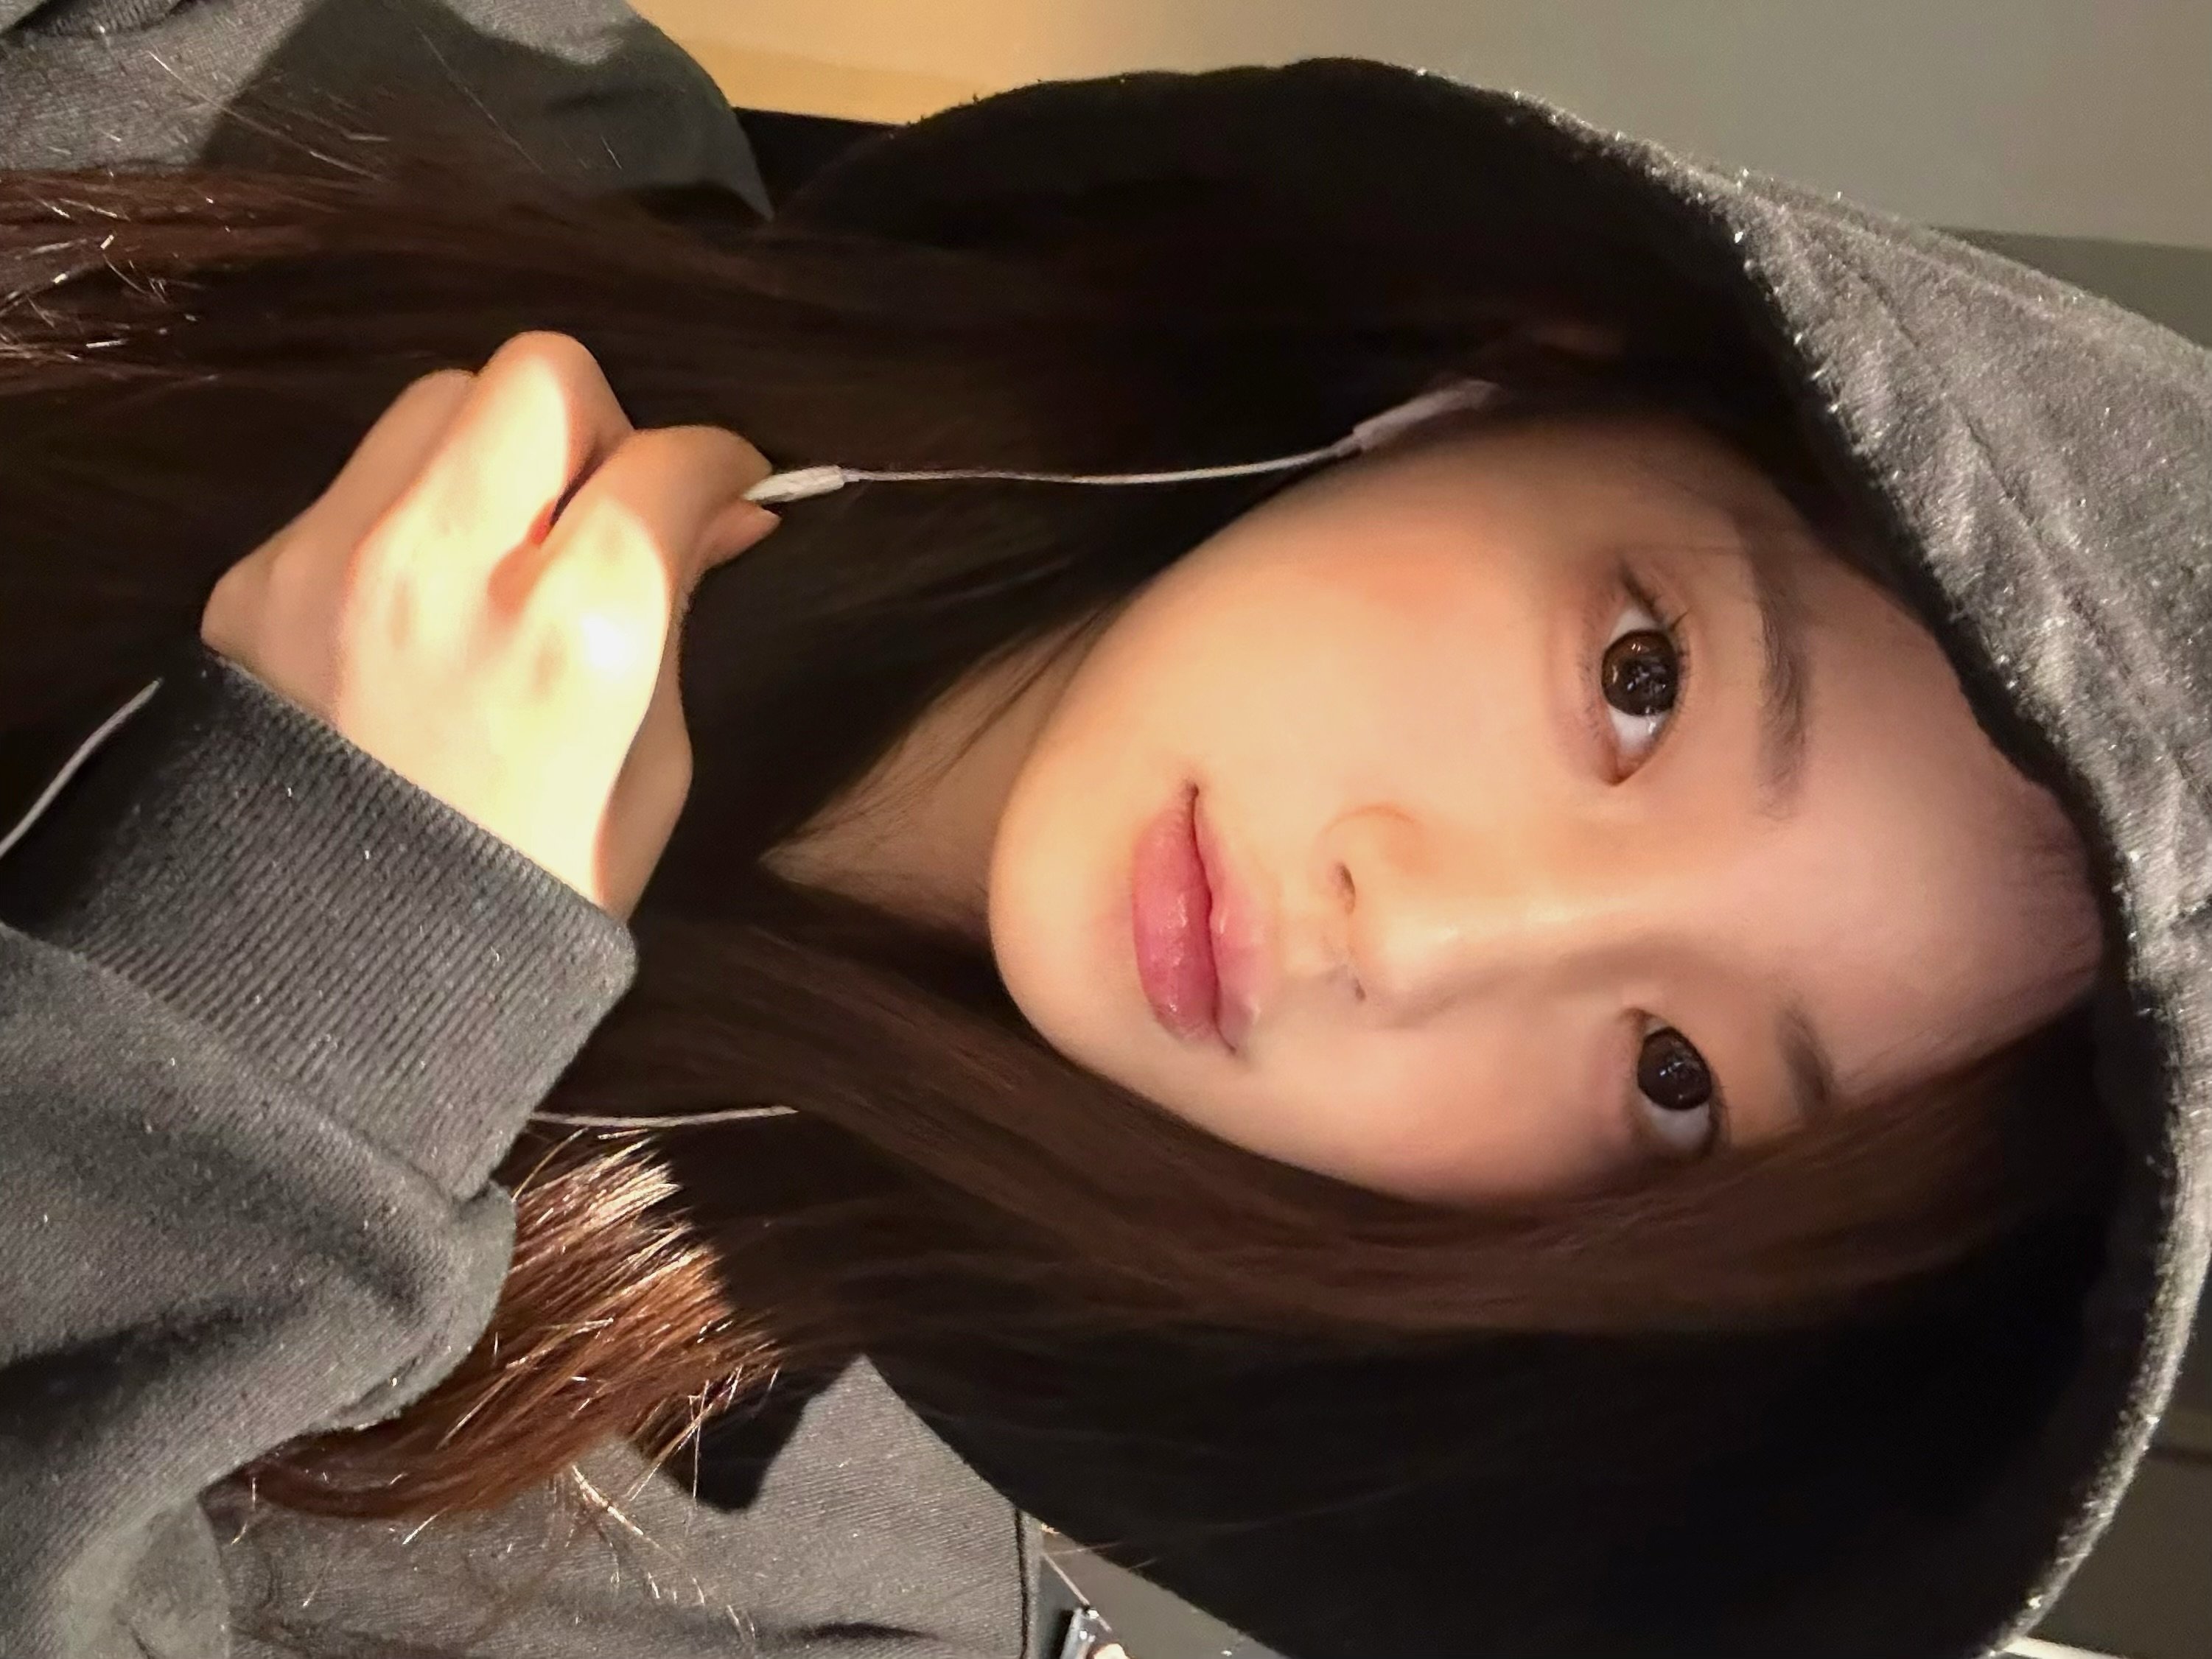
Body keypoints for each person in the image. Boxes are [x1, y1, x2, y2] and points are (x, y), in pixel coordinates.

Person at [0, 15, 2205, 1659]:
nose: (1422, 928)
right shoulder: (451, 100)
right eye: (1640, 680)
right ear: (1505, 379)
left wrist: (315, 980)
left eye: (1674, 1074)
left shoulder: (806, 1604)